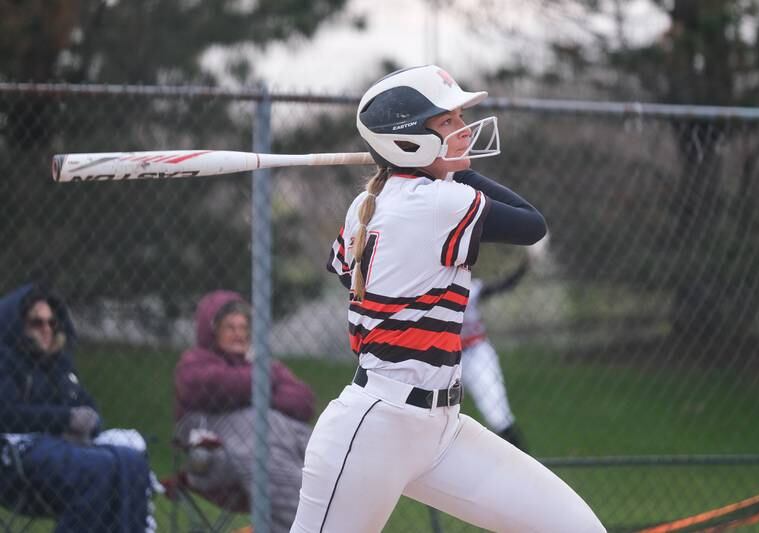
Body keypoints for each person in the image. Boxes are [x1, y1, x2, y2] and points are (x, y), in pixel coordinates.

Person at [292, 65, 606, 533]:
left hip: (441, 429)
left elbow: (348, 274)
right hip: (376, 429)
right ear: (408, 141)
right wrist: (457, 173)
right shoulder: (442, 202)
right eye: (447, 122)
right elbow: (531, 223)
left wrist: (428, 170)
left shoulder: (368, 203)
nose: (463, 131)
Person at [0, 283, 156, 533]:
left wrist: (88, 421)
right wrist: (65, 418)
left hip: (63, 451)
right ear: (17, 325)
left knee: (132, 462)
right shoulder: (5, 361)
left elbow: (86, 405)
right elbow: (8, 414)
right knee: (97, 470)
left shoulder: (58, 365)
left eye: (52, 322)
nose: (47, 329)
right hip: (17, 458)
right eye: (37, 323)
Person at [174, 290, 315, 533]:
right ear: (212, 330)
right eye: (230, 327)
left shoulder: (261, 365)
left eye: (243, 327)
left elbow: (303, 400)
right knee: (261, 435)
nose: (239, 334)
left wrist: (256, 390)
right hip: (216, 459)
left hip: (277, 441)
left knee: (319, 447)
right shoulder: (196, 361)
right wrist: (263, 384)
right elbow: (209, 385)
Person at [460, 257, 530, 451]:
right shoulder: (429, 288)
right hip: (444, 357)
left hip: (475, 354)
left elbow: (505, 285)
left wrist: (527, 263)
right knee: (435, 414)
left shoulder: (471, 289)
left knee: (496, 414)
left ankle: (521, 463)